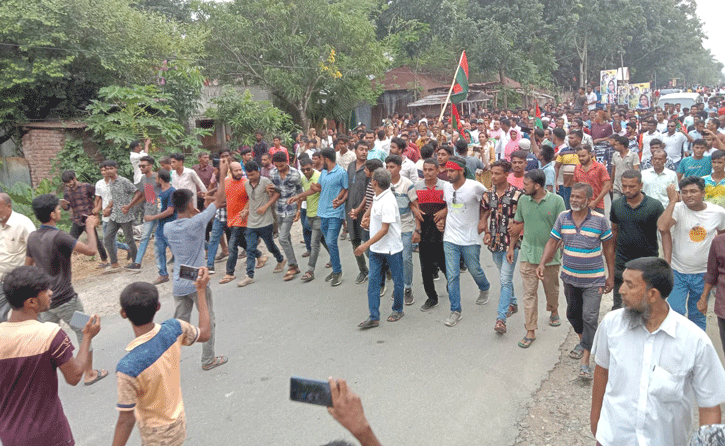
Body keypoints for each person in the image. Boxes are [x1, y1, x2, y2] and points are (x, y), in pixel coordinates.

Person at [590, 257, 725, 446]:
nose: (621, 290)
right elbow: (602, 371)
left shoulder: (695, 341)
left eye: (629, 285)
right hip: (614, 438)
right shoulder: (611, 325)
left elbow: (710, 406)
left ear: (652, 294)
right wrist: (597, 423)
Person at [0, 265, 102, 446]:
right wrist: (87, 336)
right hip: (50, 435)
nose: (51, 293)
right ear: (31, 302)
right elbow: (75, 376)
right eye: (45, 290)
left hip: (11, 437)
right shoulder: (50, 334)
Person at [111, 271, 212, 446]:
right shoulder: (174, 329)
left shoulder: (128, 368)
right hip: (178, 422)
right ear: (157, 306)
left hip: (156, 436)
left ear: (123, 313)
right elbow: (205, 333)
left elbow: (126, 420)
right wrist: (201, 292)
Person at [26, 194, 107, 385]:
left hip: (44, 301)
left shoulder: (33, 237)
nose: (60, 211)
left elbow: (27, 267)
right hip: (67, 300)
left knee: (47, 339)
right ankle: (89, 374)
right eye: (58, 208)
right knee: (83, 332)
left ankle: (45, 378)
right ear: (53, 214)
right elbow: (91, 250)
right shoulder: (59, 236)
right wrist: (89, 228)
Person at [538, 182, 614, 379]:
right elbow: (553, 241)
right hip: (570, 278)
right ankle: (584, 341)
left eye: (579, 197)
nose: (574, 200)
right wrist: (542, 263)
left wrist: (611, 276)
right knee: (572, 315)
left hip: (593, 280)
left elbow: (608, 249)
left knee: (589, 316)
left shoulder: (600, 221)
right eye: (572, 196)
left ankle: (585, 359)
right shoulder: (563, 217)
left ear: (589, 200)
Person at [163, 158, 228, 370]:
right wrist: (222, 173)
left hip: (179, 278)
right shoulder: (197, 223)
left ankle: (165, 360)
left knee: (178, 323)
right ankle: (208, 359)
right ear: (191, 204)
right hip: (197, 279)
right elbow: (219, 200)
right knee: (207, 319)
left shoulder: (168, 229)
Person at [658, 178, 725, 330]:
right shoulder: (678, 208)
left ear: (703, 193)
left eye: (693, 191)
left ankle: (696, 351)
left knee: (698, 315)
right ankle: (676, 347)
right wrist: (672, 201)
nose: (689, 195)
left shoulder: (718, 213)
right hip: (678, 271)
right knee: (675, 312)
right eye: (685, 192)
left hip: (703, 274)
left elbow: (722, 238)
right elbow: (662, 226)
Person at [509, 169, 566, 348]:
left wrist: (553, 252)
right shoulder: (523, 201)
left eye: (526, 184)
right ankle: (530, 330)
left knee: (552, 290)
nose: (522, 187)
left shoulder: (557, 201)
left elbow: (562, 230)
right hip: (527, 254)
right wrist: (511, 247)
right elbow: (518, 225)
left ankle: (553, 309)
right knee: (529, 294)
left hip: (550, 258)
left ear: (537, 185)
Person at [438, 157, 491, 327]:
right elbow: (450, 206)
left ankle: (484, 287)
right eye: (447, 171)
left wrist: (483, 221)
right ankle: (455, 311)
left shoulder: (474, 186)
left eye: (451, 171)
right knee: (452, 275)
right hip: (450, 237)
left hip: (470, 237)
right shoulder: (446, 187)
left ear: (461, 170)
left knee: (474, 270)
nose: (448, 174)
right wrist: (442, 220)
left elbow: (490, 201)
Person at [355, 168, 405, 328]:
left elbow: (385, 229)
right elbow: (373, 206)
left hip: (391, 249)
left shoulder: (388, 201)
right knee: (374, 283)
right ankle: (374, 316)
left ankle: (398, 309)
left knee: (398, 281)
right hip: (377, 249)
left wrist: (364, 245)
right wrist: (366, 217)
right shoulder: (379, 196)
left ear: (374, 182)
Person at [610, 170, 665, 310]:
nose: (627, 190)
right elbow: (614, 230)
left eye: (632, 186)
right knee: (620, 306)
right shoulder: (616, 205)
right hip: (622, 264)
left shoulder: (655, 206)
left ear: (641, 185)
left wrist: (665, 261)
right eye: (624, 186)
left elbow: (664, 232)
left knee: (646, 305)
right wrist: (612, 255)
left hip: (647, 266)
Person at [480, 160, 521, 334]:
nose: (494, 177)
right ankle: (513, 302)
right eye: (492, 173)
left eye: (498, 174)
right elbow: (484, 214)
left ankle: (501, 319)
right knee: (504, 277)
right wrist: (487, 232)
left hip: (511, 245)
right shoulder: (488, 195)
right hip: (495, 244)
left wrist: (512, 245)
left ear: (506, 175)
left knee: (504, 280)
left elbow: (521, 220)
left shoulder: (518, 195)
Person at [237, 161, 285, 287]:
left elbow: (278, 193)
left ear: (258, 171)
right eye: (248, 175)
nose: (250, 177)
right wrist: (246, 210)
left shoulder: (265, 182)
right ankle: (249, 275)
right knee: (251, 248)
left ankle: (280, 259)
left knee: (270, 245)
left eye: (252, 174)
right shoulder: (247, 184)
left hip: (265, 221)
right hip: (252, 222)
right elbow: (251, 199)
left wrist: (266, 206)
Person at [384, 154, 419, 305]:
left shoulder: (407, 184)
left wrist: (417, 229)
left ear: (399, 168)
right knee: (393, 259)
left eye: (392, 167)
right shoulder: (383, 184)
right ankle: (398, 286)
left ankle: (407, 287)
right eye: (387, 167)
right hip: (389, 228)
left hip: (405, 226)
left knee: (406, 258)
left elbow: (415, 206)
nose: (389, 170)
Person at [414, 158, 447, 311]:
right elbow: (415, 209)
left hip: (442, 233)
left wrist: (444, 213)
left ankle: (453, 292)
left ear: (437, 170)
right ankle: (431, 298)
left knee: (446, 265)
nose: (427, 173)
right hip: (425, 233)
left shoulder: (445, 187)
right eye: (425, 170)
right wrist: (417, 230)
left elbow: (455, 206)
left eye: (430, 170)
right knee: (425, 268)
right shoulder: (417, 187)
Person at [291, 157, 329, 282]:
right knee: (322, 239)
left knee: (314, 244)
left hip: (320, 214)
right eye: (303, 170)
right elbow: (306, 196)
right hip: (310, 213)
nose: (306, 172)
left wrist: (301, 195)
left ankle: (310, 270)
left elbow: (326, 192)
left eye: (308, 169)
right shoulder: (303, 179)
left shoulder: (319, 176)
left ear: (312, 165)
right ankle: (334, 259)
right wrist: (298, 209)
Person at [268, 151, 303, 281]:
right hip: (278, 209)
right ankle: (295, 265)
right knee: (286, 238)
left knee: (282, 238)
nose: (279, 168)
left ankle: (292, 265)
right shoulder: (273, 173)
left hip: (291, 208)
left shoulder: (295, 174)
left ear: (286, 162)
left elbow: (300, 192)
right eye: (277, 166)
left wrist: (298, 210)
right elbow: (272, 189)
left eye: (281, 166)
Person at [61, 170, 109, 266]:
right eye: (66, 183)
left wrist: (97, 210)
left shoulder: (86, 187)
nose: (69, 185)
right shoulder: (67, 191)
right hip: (77, 220)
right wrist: (63, 205)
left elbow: (98, 197)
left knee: (96, 240)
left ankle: (105, 261)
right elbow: (67, 208)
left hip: (88, 219)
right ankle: (64, 264)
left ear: (74, 178)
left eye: (70, 182)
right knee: (70, 241)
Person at [316, 148, 349, 286]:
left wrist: (339, 199)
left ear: (326, 159)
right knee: (328, 240)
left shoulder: (341, 172)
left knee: (330, 242)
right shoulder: (323, 172)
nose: (319, 161)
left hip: (335, 213)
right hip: (322, 212)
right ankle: (335, 268)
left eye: (321, 159)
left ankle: (338, 271)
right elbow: (318, 187)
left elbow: (346, 189)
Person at [0, 193, 36, 322]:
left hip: (21, 282)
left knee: (30, 315)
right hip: (3, 281)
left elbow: (35, 249)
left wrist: (31, 277)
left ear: (9, 206)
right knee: (2, 317)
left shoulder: (23, 223)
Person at [123, 156, 158, 271]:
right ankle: (137, 263)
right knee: (144, 237)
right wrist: (130, 206)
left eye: (143, 166)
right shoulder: (143, 179)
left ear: (151, 165)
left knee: (164, 237)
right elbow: (144, 196)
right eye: (140, 166)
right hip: (149, 212)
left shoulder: (157, 177)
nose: (141, 168)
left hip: (160, 212)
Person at [141, 169, 176, 285]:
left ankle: (183, 270)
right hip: (161, 227)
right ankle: (163, 274)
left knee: (177, 250)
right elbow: (151, 200)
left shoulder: (172, 192)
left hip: (170, 226)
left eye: (156, 178)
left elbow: (170, 211)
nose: (155, 180)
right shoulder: (160, 191)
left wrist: (152, 217)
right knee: (159, 250)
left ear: (160, 179)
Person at [103, 161, 139, 271]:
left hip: (125, 216)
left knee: (129, 240)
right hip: (114, 215)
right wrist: (108, 207)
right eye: (107, 169)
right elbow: (115, 198)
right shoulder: (111, 182)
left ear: (116, 169)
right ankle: (114, 263)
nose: (109, 171)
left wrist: (129, 206)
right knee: (107, 238)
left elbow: (137, 192)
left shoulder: (124, 181)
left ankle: (136, 262)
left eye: (111, 168)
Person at [218, 162, 249, 285]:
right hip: (230, 219)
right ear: (230, 172)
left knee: (232, 246)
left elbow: (252, 198)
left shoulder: (246, 182)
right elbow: (221, 196)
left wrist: (246, 210)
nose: (239, 172)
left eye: (240, 170)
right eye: (236, 171)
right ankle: (259, 255)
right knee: (243, 243)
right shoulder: (226, 182)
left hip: (242, 219)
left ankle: (229, 273)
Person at [346, 141, 371, 284]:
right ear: (355, 150)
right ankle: (363, 270)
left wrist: (360, 209)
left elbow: (370, 193)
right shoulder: (350, 166)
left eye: (366, 150)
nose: (364, 152)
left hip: (365, 211)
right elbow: (348, 188)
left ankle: (384, 269)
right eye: (361, 149)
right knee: (354, 241)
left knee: (369, 242)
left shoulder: (369, 168)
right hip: (350, 210)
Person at [94, 163, 130, 264]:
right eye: (102, 170)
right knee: (107, 239)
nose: (104, 172)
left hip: (116, 213)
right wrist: (97, 210)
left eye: (106, 170)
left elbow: (117, 197)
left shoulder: (115, 182)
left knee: (110, 239)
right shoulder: (99, 184)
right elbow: (98, 198)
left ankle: (114, 261)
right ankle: (126, 249)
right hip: (105, 214)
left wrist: (109, 208)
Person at [573, 144, 611, 214]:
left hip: (597, 205)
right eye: (579, 156)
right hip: (581, 205)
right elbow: (575, 185)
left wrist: (595, 201)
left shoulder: (600, 167)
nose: (581, 158)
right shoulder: (577, 168)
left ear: (590, 154)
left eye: (583, 156)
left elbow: (607, 186)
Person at [610, 135, 640, 201]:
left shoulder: (633, 155)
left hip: (629, 186)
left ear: (622, 146)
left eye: (617, 145)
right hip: (617, 185)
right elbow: (613, 169)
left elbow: (636, 170)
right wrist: (611, 182)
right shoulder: (615, 155)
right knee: (616, 204)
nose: (615, 147)